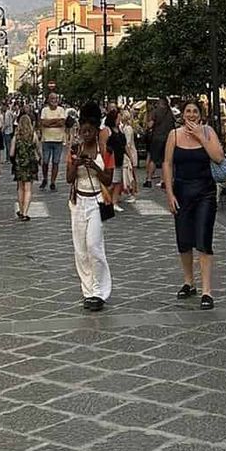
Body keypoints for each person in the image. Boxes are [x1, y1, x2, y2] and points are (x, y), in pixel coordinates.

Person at [164, 99, 225, 309]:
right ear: (182, 115)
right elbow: (168, 163)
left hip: (204, 193)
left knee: (203, 240)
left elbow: (218, 157)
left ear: (200, 114)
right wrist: (170, 193)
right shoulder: (174, 135)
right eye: (187, 111)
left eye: (195, 111)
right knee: (183, 240)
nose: (191, 115)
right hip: (181, 191)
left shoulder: (208, 132)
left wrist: (200, 135)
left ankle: (207, 290)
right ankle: (189, 281)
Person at [67, 103, 113, 310]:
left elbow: (109, 179)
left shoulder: (105, 150)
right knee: (81, 250)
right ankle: (88, 291)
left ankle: (100, 291)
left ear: (96, 132)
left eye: (89, 131)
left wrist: (94, 166)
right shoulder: (75, 150)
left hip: (96, 201)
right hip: (78, 201)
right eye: (82, 131)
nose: (85, 134)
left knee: (94, 245)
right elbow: (69, 178)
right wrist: (76, 164)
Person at [10, 111, 40, 221]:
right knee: (28, 189)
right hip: (31, 164)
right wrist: (39, 158)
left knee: (20, 188)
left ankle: (21, 209)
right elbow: (38, 149)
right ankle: (25, 213)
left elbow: (11, 153)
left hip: (19, 164)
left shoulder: (16, 137)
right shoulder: (33, 135)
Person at [38, 91, 68, 191]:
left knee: (56, 162)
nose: (54, 101)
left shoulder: (61, 110)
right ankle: (45, 178)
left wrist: (50, 122)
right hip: (46, 139)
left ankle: (53, 182)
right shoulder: (44, 110)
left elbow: (62, 122)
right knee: (45, 161)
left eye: (55, 99)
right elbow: (43, 123)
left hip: (58, 139)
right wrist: (55, 121)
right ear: (48, 100)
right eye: (52, 99)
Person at [144, 97, 174, 187]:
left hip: (157, 138)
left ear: (159, 103)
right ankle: (163, 181)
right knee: (166, 160)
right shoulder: (170, 112)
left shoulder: (155, 112)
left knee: (153, 159)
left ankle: (149, 180)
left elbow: (150, 125)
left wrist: (147, 125)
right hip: (168, 138)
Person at [105, 108, 127, 211]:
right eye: (118, 117)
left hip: (119, 158)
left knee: (118, 181)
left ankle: (114, 202)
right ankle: (106, 201)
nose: (120, 119)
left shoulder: (120, 129)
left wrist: (130, 157)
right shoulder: (107, 130)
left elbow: (124, 144)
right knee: (111, 183)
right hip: (111, 159)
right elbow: (103, 145)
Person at [121, 109, 139, 200]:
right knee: (129, 174)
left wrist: (130, 157)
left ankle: (133, 193)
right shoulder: (125, 127)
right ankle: (131, 192)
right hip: (130, 153)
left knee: (131, 174)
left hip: (130, 153)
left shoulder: (127, 129)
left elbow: (127, 144)